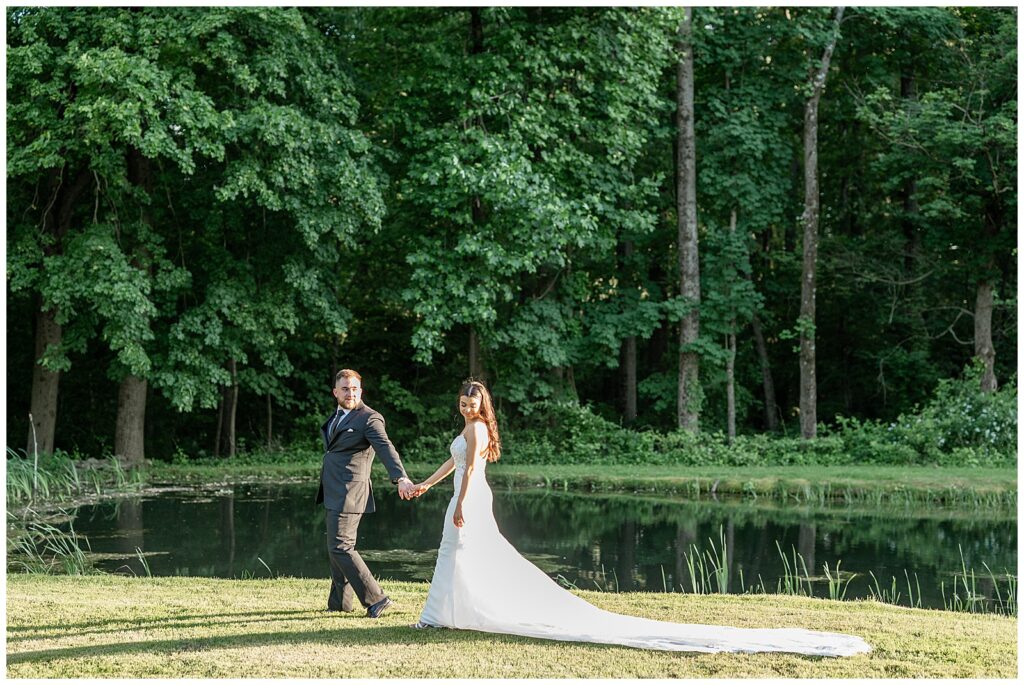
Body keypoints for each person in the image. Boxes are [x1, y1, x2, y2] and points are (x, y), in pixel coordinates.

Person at [409, 380, 872, 656]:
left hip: (471, 499)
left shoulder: (476, 429)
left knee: (458, 550)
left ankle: (437, 617)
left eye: (473, 404)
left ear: (481, 405)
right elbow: (456, 464)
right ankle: (449, 613)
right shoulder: (471, 429)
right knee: (463, 556)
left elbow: (470, 471)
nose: (467, 408)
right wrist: (430, 483)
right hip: (465, 496)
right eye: (464, 404)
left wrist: (461, 505)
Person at [316, 369, 417, 618]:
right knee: (336, 547)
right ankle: (340, 603)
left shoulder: (369, 418)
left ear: (360, 391)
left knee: (341, 546)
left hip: (351, 491)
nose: (350, 393)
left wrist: (400, 477)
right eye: (345, 389)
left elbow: (385, 447)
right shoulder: (339, 415)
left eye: (355, 389)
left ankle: (376, 599)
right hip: (333, 490)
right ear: (335, 392)